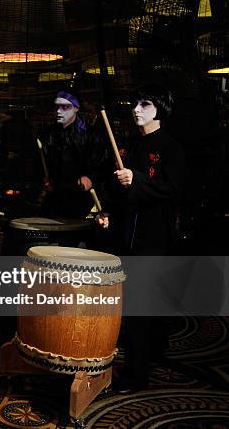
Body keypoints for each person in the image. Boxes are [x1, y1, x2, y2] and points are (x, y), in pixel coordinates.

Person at [99, 85, 185, 393]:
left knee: (140, 309)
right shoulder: (129, 145)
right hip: (125, 236)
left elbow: (171, 188)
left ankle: (137, 375)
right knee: (127, 306)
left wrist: (138, 180)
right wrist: (107, 211)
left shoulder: (171, 147)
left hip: (153, 237)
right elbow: (116, 190)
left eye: (144, 103)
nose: (136, 108)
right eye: (135, 103)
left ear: (159, 108)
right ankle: (142, 356)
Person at [38, 91, 109, 218]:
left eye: (65, 107)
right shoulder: (47, 135)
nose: (59, 111)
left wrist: (91, 178)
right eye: (57, 107)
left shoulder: (92, 136)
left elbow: (103, 166)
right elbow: (41, 167)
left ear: (76, 108)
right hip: (56, 197)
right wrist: (45, 181)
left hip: (83, 200)